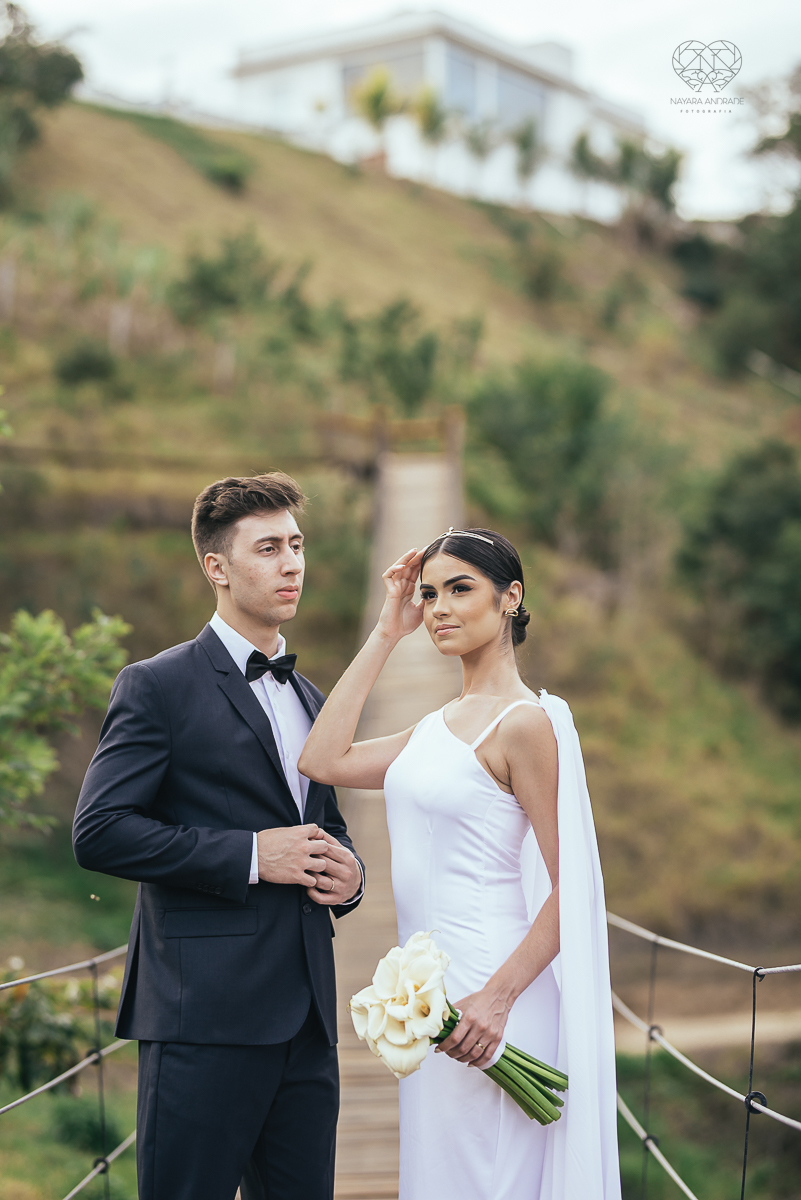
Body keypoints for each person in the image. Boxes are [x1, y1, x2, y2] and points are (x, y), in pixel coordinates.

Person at [299, 528, 621, 1200]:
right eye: (428, 594)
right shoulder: (433, 727)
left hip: (495, 995)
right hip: (433, 1005)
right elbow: (321, 760)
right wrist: (387, 631)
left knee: (494, 1179)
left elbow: (575, 889)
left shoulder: (522, 725)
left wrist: (497, 1000)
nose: (439, 607)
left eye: (459, 589)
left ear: (511, 597)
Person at [73, 472, 365, 1200]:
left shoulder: (311, 696)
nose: (291, 563)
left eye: (296, 545)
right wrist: (248, 856)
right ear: (217, 567)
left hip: (307, 1023)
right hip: (200, 1019)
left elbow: (327, 829)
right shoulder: (155, 685)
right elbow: (100, 831)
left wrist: (349, 874)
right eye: (268, 548)